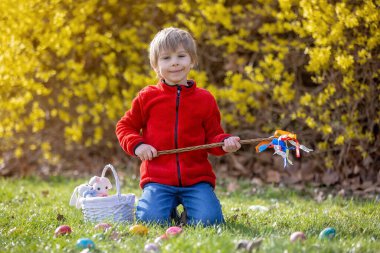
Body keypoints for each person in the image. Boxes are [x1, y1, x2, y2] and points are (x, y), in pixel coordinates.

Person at [116, 27, 241, 226]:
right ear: (156, 66)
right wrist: (138, 145)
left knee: (210, 221)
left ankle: (189, 212)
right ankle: (167, 208)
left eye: (181, 56)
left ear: (192, 60)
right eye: (166, 58)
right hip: (158, 179)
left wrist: (224, 143)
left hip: (196, 180)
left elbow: (213, 138)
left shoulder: (205, 99)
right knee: (150, 221)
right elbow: (124, 127)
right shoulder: (147, 97)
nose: (174, 62)